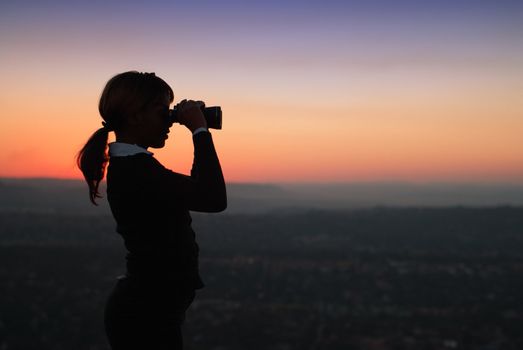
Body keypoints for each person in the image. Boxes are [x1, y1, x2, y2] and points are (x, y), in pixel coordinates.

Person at [76, 71, 227, 349]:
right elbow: (213, 197)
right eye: (162, 111)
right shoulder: (136, 171)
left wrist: (198, 128)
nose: (169, 120)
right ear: (135, 116)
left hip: (147, 310)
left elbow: (201, 191)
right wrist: (198, 130)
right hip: (145, 316)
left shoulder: (136, 167)